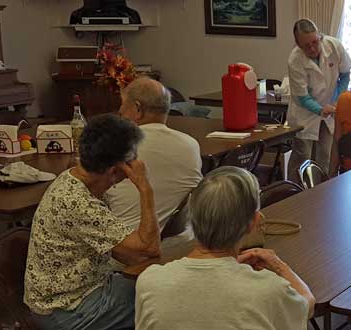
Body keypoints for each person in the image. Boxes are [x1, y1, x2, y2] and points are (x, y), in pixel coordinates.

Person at [24, 114, 161, 330]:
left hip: (81, 289)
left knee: (154, 286)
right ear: (114, 171)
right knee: (160, 300)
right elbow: (149, 247)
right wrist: (145, 187)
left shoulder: (78, 180)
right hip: (65, 309)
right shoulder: (79, 202)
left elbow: (126, 252)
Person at [135, 166, 314, 329]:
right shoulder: (269, 290)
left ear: (191, 218)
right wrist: (280, 266)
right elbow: (307, 306)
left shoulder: (149, 281)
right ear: (253, 222)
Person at [108, 77, 201, 247]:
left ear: (137, 109)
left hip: (129, 247)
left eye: (123, 105)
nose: (120, 111)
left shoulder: (117, 146)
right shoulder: (191, 144)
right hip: (182, 241)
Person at [287, 18, 351, 181]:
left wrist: (338, 98)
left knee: (325, 156)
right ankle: (294, 194)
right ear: (297, 44)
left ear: (320, 37)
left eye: (315, 42)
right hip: (305, 115)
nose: (312, 48)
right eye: (306, 46)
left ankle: (320, 194)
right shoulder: (295, 60)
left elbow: (345, 74)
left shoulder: (334, 46)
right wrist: (319, 109)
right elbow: (302, 97)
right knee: (302, 157)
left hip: (330, 109)